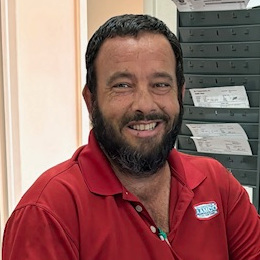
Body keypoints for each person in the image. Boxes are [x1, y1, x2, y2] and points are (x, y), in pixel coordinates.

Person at [2, 14, 260, 260]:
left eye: (160, 84)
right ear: (91, 100)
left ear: (180, 94)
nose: (145, 105)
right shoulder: (48, 212)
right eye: (122, 85)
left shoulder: (216, 183)